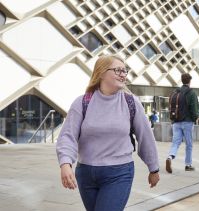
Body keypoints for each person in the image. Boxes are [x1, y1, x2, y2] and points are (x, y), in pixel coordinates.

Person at [56, 55, 160, 211]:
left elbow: (145, 137)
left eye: (125, 71)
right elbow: (67, 136)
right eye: (118, 70)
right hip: (86, 174)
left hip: (119, 173)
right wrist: (65, 163)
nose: (123, 74)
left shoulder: (131, 102)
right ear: (101, 73)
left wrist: (154, 168)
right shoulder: (82, 102)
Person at [166, 73, 199, 173]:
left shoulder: (176, 91)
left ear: (182, 80)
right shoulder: (191, 92)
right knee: (189, 144)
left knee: (175, 142)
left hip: (176, 121)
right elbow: (193, 108)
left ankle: (170, 157)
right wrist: (195, 118)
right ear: (189, 81)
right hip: (187, 122)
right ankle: (188, 165)